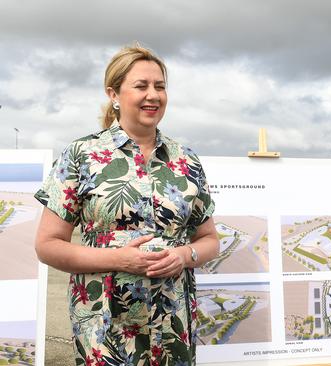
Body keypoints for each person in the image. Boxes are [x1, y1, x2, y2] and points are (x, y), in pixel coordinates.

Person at [34, 44, 218, 365]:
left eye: (160, 87)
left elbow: (209, 240)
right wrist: (119, 259)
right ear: (114, 94)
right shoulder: (81, 155)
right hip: (105, 330)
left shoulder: (186, 160)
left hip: (173, 328)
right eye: (141, 86)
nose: (153, 95)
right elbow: (47, 245)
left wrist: (183, 255)